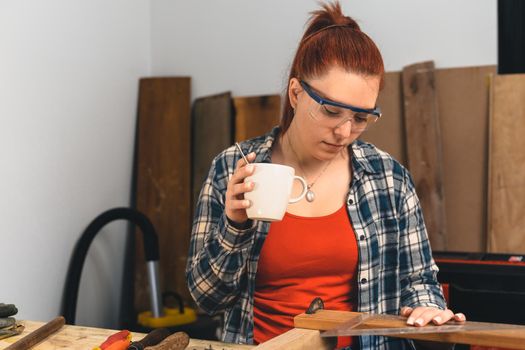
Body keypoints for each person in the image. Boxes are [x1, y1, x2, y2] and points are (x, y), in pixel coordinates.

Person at [186, 2, 465, 349]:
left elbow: (419, 279)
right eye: (331, 111)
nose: (345, 131)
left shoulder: (389, 179)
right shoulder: (233, 167)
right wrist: (234, 226)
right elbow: (207, 300)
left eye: (361, 118)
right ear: (296, 93)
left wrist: (429, 307)